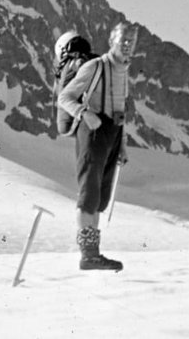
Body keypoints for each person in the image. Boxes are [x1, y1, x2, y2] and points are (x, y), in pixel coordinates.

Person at [57, 22, 137, 271]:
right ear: (112, 40)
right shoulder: (94, 67)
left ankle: (93, 253)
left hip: (112, 132)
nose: (127, 45)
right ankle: (88, 254)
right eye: (123, 40)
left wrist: (121, 143)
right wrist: (84, 113)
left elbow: (120, 110)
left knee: (100, 196)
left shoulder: (122, 72)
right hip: (92, 130)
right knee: (89, 192)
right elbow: (65, 97)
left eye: (131, 42)